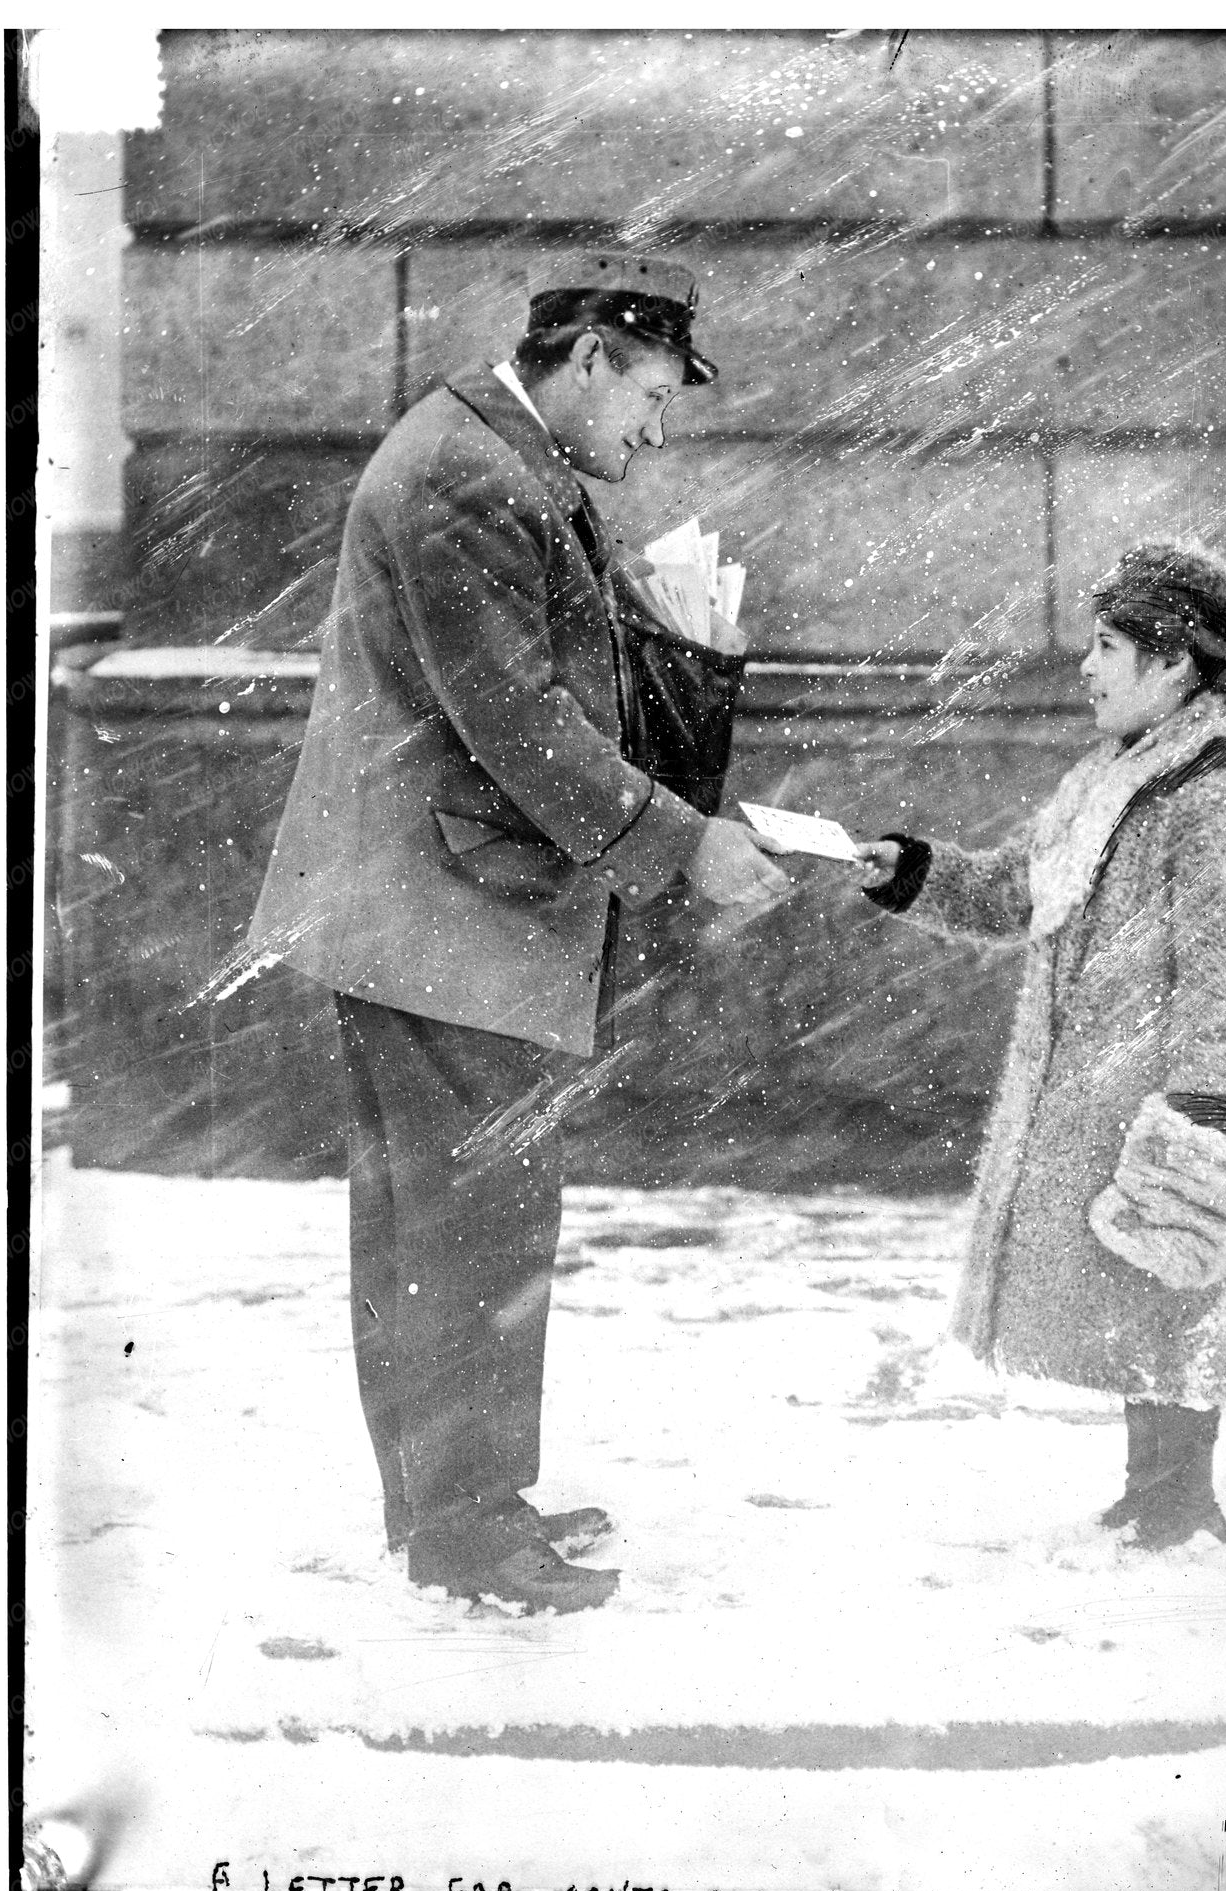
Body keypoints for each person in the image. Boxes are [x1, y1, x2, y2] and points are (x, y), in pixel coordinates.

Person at [246, 252, 788, 1612]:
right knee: (469, 1226)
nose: (651, 433)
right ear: (590, 357)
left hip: (439, 905)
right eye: (649, 397)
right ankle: (467, 1532)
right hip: (443, 915)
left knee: (449, 1221)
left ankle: (457, 1505)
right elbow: (516, 719)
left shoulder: (490, 454)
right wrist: (683, 842)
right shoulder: (470, 475)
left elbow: (532, 682)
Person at [856, 541, 1226, 1550]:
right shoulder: (1111, 785)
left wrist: (1203, 1114)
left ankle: (1182, 1498)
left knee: (1178, 1271)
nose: (1087, 669)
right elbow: (1021, 891)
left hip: (1160, 1102)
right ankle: (1153, 1488)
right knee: (1140, 1286)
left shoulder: (1207, 808)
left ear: (1172, 663)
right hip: (1104, 1094)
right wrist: (914, 872)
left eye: (1107, 647)